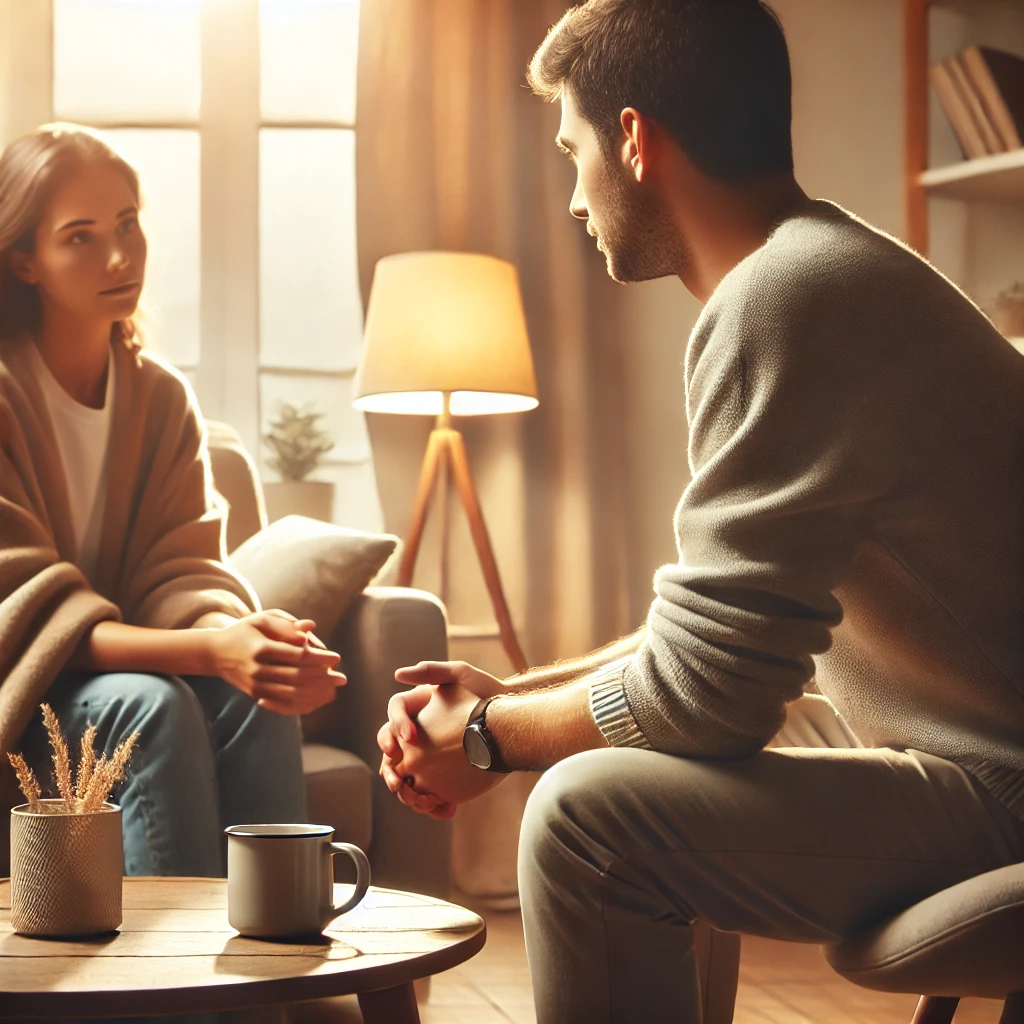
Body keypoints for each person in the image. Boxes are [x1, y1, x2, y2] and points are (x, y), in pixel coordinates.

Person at [375, 1, 1024, 1021]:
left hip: (1000, 785)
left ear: (632, 139)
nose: (575, 197)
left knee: (590, 819)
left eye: (571, 149)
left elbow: (704, 693)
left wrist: (494, 736)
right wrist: (508, 696)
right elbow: (709, 650)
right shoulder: (817, 270)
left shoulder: (784, 298)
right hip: (964, 748)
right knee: (643, 757)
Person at [0, 123, 345, 880]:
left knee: (258, 697)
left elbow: (183, 571)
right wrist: (207, 650)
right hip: (19, 698)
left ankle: (279, 979)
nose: (120, 256)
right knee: (152, 704)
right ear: (25, 259)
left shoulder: (160, 399)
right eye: (81, 237)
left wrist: (244, 637)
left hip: (115, 674)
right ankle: (178, 995)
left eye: (127, 224)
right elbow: (25, 616)